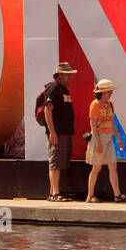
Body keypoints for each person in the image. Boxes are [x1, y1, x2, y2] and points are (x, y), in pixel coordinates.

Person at [86, 79, 126, 203]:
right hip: (99, 137)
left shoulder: (110, 104)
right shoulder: (95, 104)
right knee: (96, 168)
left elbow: (111, 123)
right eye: (109, 91)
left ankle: (117, 194)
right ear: (103, 92)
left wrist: (119, 139)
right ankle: (90, 196)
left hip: (108, 138)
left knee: (113, 166)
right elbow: (93, 125)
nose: (111, 93)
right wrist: (98, 143)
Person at [43, 61, 77, 202]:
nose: (71, 77)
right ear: (60, 75)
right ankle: (55, 193)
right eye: (68, 75)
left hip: (65, 132)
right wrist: (52, 132)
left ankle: (53, 192)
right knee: (55, 162)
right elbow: (47, 109)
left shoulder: (64, 89)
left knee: (60, 162)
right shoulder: (53, 88)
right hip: (57, 133)